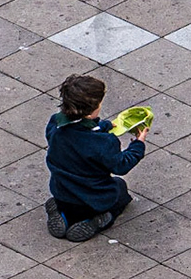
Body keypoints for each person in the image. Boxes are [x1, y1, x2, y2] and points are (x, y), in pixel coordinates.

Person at [45, 74, 146, 241]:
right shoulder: (104, 142)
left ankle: (60, 212)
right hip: (94, 200)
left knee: (68, 193)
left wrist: (103, 125)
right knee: (120, 188)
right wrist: (138, 144)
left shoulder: (55, 124)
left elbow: (76, 132)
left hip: (62, 192)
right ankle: (98, 220)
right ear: (92, 110)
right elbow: (121, 165)